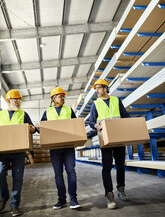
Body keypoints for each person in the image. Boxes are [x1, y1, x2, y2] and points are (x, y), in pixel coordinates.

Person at [89, 79, 129, 209]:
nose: (97, 91)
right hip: (105, 139)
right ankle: (109, 194)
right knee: (106, 167)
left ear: (106, 88)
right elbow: (90, 121)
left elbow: (125, 116)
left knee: (120, 165)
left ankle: (121, 189)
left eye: (99, 88)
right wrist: (96, 125)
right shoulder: (95, 104)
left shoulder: (116, 101)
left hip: (119, 138)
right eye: (96, 89)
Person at [40, 87, 80, 210]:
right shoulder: (47, 112)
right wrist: (36, 127)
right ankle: (61, 200)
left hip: (68, 147)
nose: (63, 98)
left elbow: (76, 125)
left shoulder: (69, 110)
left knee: (71, 172)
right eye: (60, 96)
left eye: (63, 96)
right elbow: (42, 127)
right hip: (54, 149)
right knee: (58, 174)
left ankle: (73, 199)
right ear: (53, 98)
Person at [0, 89, 36, 217]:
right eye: (16, 99)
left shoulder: (23, 114)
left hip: (19, 152)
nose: (18, 102)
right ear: (9, 101)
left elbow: (33, 128)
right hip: (2, 152)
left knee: (18, 178)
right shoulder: (1, 114)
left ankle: (14, 205)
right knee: (0, 173)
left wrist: (33, 128)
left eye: (19, 100)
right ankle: (3, 196)